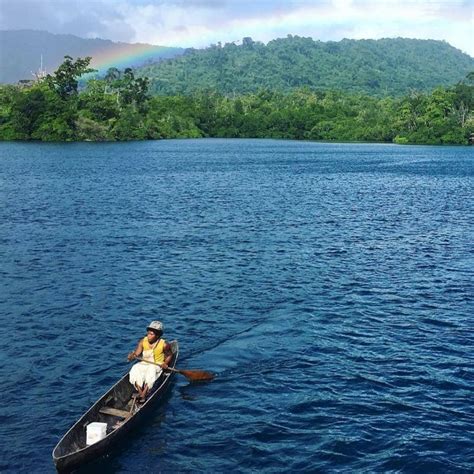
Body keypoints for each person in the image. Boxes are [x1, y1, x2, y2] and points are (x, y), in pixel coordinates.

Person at [127, 321, 172, 402]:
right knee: (135, 368)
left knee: (151, 370)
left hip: (156, 364)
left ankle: (144, 393)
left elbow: (169, 355)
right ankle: (140, 391)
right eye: (148, 333)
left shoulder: (164, 344)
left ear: (158, 335)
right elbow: (137, 353)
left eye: (152, 334)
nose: (149, 336)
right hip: (144, 363)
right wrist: (132, 356)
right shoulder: (142, 341)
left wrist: (165, 363)